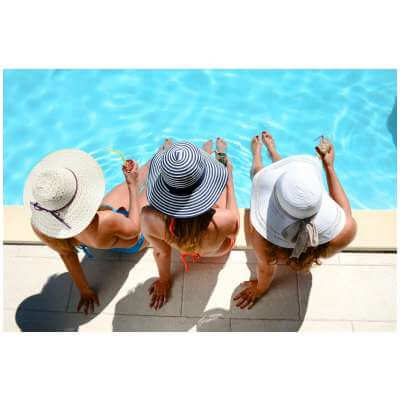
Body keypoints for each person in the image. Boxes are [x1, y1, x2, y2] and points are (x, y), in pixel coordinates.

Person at [24, 146, 157, 314]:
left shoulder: (41, 225)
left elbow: (66, 253)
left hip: (102, 235)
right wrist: (132, 184)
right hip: (136, 239)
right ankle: (164, 155)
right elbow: (133, 230)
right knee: (155, 188)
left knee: (137, 180)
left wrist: (85, 290)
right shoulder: (104, 220)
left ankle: (155, 160)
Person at [234, 131, 357, 309]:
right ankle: (273, 153)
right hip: (301, 242)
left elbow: (266, 269)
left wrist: (260, 290)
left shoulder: (262, 238)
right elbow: (344, 211)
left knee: (261, 175)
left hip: (277, 245)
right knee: (296, 182)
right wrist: (329, 167)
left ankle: (258, 156)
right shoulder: (345, 232)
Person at [140, 138, 240, 310]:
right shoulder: (224, 219)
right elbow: (233, 235)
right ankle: (220, 157)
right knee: (223, 188)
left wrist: (164, 281)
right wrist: (229, 182)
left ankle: (191, 170)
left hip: (183, 248)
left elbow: (161, 253)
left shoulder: (149, 218)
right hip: (215, 251)